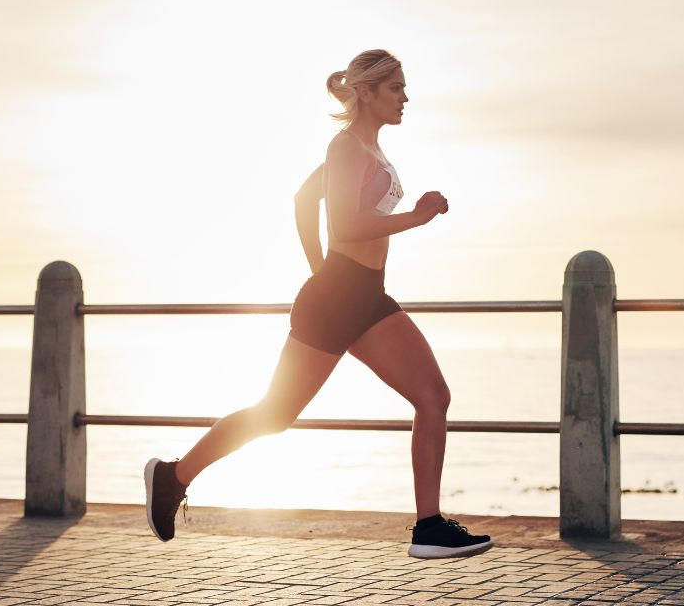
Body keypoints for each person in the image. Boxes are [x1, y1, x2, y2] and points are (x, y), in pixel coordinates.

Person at [144, 49, 493, 559]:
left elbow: (305, 201)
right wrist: (411, 219)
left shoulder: (368, 150)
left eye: (404, 87)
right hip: (338, 297)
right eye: (395, 88)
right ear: (367, 92)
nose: (405, 97)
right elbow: (346, 225)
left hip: (365, 295)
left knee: (432, 396)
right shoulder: (345, 146)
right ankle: (172, 478)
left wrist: (322, 270)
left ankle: (428, 526)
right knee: (275, 414)